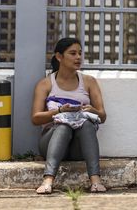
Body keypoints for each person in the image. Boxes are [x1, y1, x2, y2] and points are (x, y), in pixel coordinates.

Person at [31, 37, 107, 194]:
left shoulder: (89, 82)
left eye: (80, 53)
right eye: (72, 53)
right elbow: (35, 118)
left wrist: (92, 111)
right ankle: (47, 180)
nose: (78, 57)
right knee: (63, 125)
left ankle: (95, 181)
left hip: (78, 147)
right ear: (59, 57)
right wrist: (59, 112)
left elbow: (103, 116)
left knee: (86, 124)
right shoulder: (46, 84)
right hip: (51, 142)